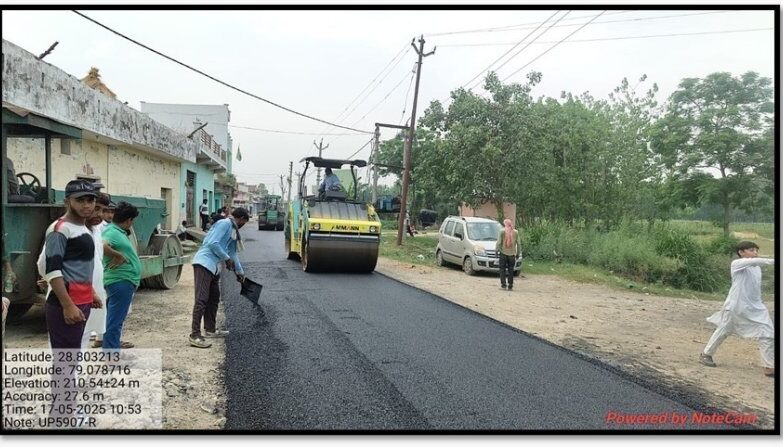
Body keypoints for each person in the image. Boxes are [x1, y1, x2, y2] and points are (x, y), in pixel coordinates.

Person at [700, 241, 776, 377]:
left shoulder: (756, 268)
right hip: (736, 306)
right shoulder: (737, 264)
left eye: (756, 250)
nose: (755, 253)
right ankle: (706, 354)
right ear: (741, 252)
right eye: (751, 250)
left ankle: (769, 366)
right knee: (724, 330)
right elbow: (762, 261)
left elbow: (755, 284)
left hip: (756, 307)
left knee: (768, 333)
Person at [189, 207, 250, 348]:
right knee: (201, 300)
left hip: (214, 267)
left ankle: (210, 329)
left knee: (214, 298)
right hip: (204, 264)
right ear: (240, 218)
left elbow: (233, 253)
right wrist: (226, 258)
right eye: (243, 223)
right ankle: (195, 335)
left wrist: (240, 272)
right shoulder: (225, 224)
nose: (242, 226)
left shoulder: (233, 230)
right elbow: (212, 243)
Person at [101, 201, 142, 351]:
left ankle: (111, 349)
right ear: (128, 220)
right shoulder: (111, 231)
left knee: (114, 318)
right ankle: (111, 356)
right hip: (120, 280)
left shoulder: (117, 231)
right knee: (115, 320)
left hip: (122, 280)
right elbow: (101, 245)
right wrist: (117, 255)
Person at [495, 218, 520, 291]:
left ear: (504, 224)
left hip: (503, 254)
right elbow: (519, 244)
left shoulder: (502, 231)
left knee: (502, 269)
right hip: (512, 255)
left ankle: (503, 285)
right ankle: (510, 286)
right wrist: (518, 253)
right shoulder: (516, 232)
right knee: (511, 270)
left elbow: (499, 242)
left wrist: (496, 250)